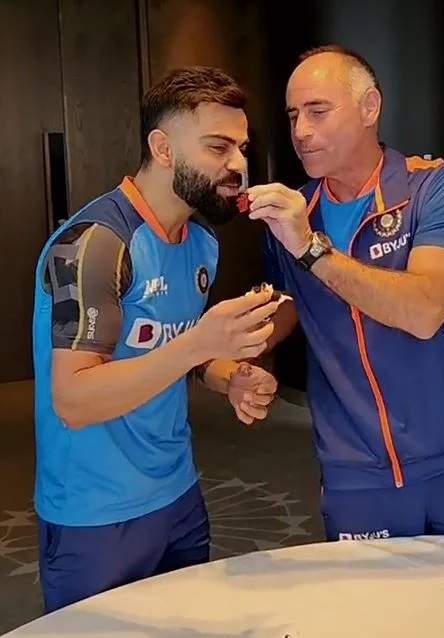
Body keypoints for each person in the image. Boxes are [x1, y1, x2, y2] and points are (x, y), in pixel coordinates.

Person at [32, 66, 284, 613]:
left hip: (177, 494)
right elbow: (74, 399)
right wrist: (200, 344)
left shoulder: (201, 243)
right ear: (163, 148)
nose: (238, 165)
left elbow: (171, 354)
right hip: (95, 514)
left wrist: (228, 377)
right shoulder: (95, 244)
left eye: (241, 148)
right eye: (218, 147)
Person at [247, 45, 444, 540]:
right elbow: (288, 305)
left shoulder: (437, 187)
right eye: (292, 115)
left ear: (369, 106)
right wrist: (239, 360)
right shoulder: (292, 213)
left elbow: (425, 310)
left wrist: (311, 249)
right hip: (356, 472)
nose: (300, 131)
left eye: (317, 111)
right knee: (368, 597)